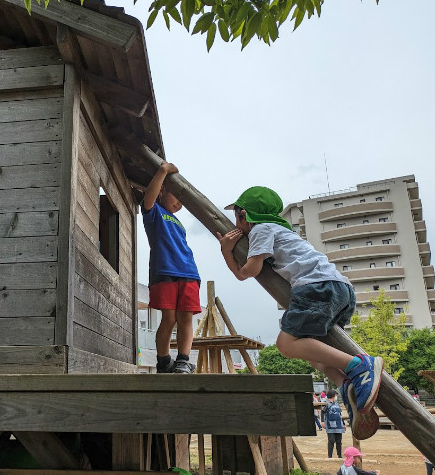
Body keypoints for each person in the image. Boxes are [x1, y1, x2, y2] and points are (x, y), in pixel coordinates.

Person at [216, 186, 383, 439]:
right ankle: (346, 385)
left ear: (245, 216)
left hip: (316, 288)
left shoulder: (261, 230)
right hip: (340, 289)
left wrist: (226, 251)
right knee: (315, 356)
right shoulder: (282, 231)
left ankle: (360, 365)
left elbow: (246, 272)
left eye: (237, 216)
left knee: (286, 344)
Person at [142, 161, 201, 374]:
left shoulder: (179, 222)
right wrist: (163, 171)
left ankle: (183, 360)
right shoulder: (154, 212)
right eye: (177, 196)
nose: (180, 204)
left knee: (186, 317)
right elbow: (148, 198)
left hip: (188, 272)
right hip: (165, 272)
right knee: (169, 318)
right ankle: (163, 361)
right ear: (162, 191)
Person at [322, 389, 346, 458]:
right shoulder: (326, 403)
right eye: (335, 395)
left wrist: (343, 424)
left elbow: (339, 414)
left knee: (339, 441)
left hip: (338, 425)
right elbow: (322, 412)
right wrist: (322, 421)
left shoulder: (336, 404)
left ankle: (339, 455)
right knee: (331, 440)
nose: (336, 397)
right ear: (332, 396)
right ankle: (330, 456)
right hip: (330, 425)